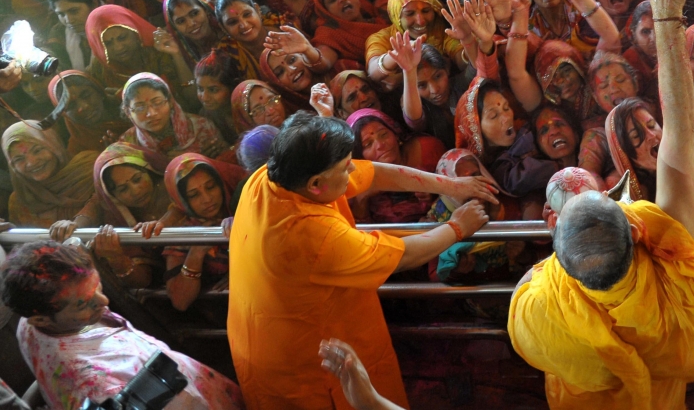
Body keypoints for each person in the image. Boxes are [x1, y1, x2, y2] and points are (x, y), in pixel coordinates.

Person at [508, 0, 694, 409]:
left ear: (557, 256)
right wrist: (669, 19)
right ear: (634, 231)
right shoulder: (672, 275)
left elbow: (528, 319)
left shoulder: (540, 303)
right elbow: (676, 141)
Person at [226, 112, 499, 409]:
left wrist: (452, 186)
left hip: (269, 329)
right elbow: (403, 255)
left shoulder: (273, 175)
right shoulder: (308, 235)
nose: (352, 168)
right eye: (345, 167)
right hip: (302, 365)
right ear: (316, 184)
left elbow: (374, 174)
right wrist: (457, 227)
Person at [0, 240, 244, 410]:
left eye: (97, 287)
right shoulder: (103, 388)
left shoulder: (31, 321)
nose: (104, 302)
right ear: (41, 319)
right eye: (83, 303)